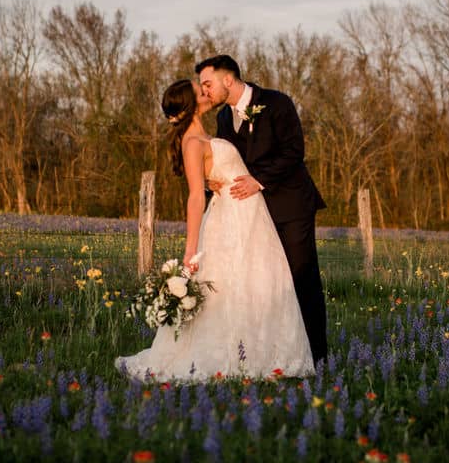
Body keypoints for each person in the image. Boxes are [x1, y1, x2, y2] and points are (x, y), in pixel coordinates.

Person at [115, 78, 314, 381]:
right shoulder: (192, 143)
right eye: (200, 91)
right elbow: (195, 197)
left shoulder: (208, 134)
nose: (206, 93)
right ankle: (229, 359)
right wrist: (190, 249)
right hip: (229, 221)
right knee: (228, 288)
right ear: (190, 105)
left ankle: (264, 356)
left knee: (256, 285)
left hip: (252, 219)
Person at [196, 54, 328, 364]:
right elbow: (227, 161)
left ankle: (318, 359)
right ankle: (276, 355)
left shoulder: (277, 103)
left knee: (301, 280)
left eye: (208, 84)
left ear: (228, 79)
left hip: (292, 206)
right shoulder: (224, 118)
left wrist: (259, 181)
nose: (205, 93)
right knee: (266, 285)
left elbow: (294, 151)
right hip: (254, 215)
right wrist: (212, 182)